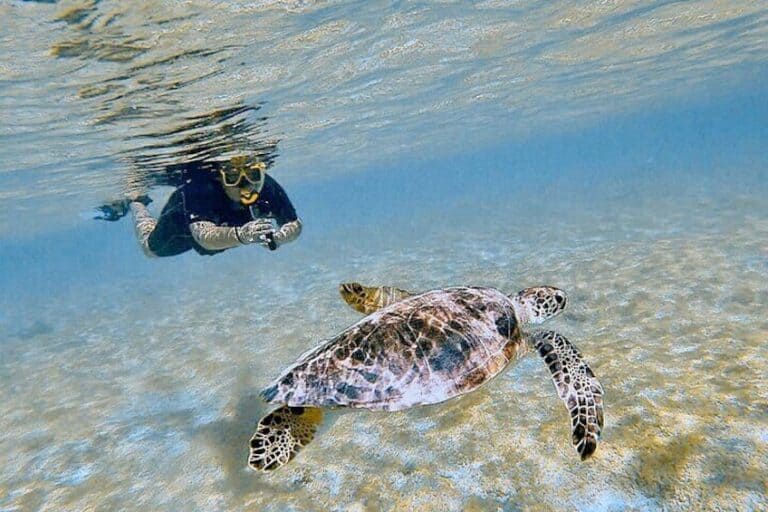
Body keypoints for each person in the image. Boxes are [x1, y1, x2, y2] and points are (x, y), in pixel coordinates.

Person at [97, 156, 301, 257]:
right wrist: (242, 234)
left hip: (225, 230)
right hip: (182, 226)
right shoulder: (202, 185)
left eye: (253, 175)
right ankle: (136, 200)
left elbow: (294, 223)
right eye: (232, 177)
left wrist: (280, 237)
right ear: (221, 178)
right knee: (150, 249)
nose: (245, 184)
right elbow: (203, 236)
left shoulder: (266, 184)